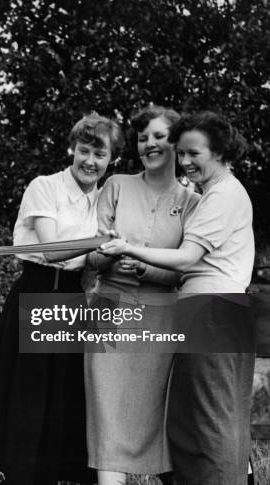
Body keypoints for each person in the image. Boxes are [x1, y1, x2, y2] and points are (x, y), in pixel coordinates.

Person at [99, 111, 255, 484]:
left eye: (193, 154)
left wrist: (129, 247)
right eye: (181, 154)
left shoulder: (222, 195)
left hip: (212, 312)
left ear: (218, 151)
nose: (185, 162)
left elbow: (187, 258)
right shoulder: (214, 193)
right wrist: (147, 269)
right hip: (208, 311)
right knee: (196, 421)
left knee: (209, 423)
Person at [0, 114, 125, 485]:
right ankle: (16, 476)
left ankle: (60, 477)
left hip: (73, 295)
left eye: (99, 154)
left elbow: (92, 261)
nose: (90, 160)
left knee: (67, 393)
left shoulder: (103, 199)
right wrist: (100, 243)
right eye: (84, 150)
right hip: (38, 291)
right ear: (72, 149)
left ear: (112, 161)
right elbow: (53, 249)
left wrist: (113, 251)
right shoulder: (44, 187)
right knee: (29, 393)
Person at [84, 106, 200, 485]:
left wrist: (146, 267)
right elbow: (91, 254)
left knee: (156, 411)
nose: (149, 144)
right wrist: (106, 255)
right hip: (108, 308)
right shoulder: (116, 185)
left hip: (159, 315)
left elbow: (186, 267)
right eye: (143, 138)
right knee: (108, 410)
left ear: (176, 144)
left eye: (158, 136)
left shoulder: (192, 201)